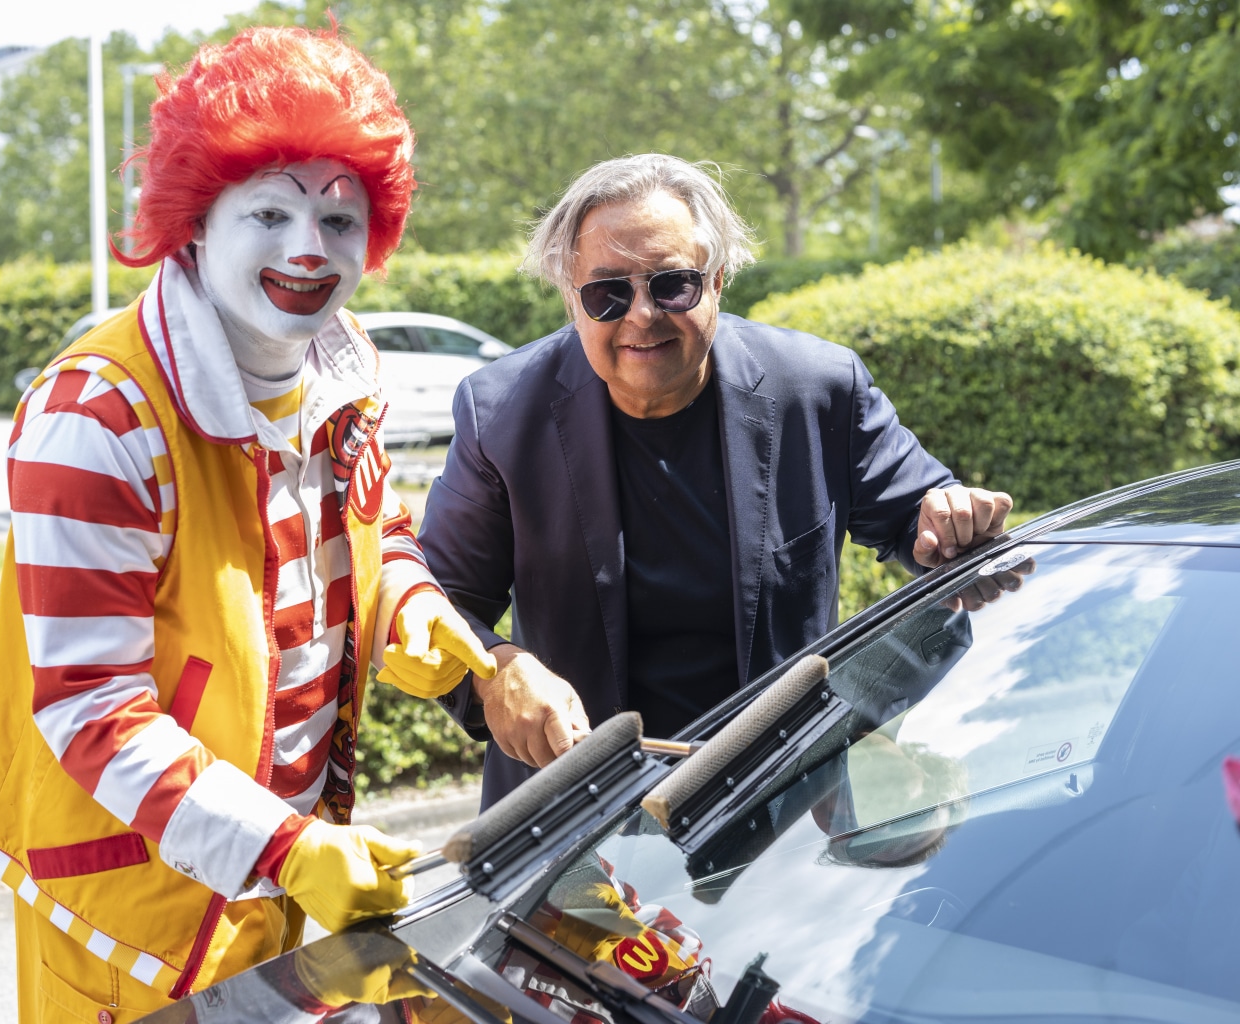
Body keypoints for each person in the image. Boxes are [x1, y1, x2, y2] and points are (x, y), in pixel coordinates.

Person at [0, 26, 494, 1023]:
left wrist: (407, 605)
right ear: (195, 222)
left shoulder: (345, 367)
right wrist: (285, 849)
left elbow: (375, 531)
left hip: (290, 876)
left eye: (341, 220)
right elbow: (87, 708)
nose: (309, 248)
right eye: (269, 211)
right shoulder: (99, 416)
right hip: (135, 914)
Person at [418, 153, 1013, 808]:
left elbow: (920, 518)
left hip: (779, 810)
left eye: (672, 284)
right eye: (607, 292)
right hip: (575, 823)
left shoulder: (819, 388)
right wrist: (498, 671)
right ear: (571, 298)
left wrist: (951, 520)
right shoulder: (499, 412)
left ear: (719, 280)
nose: (642, 314)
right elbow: (436, 601)